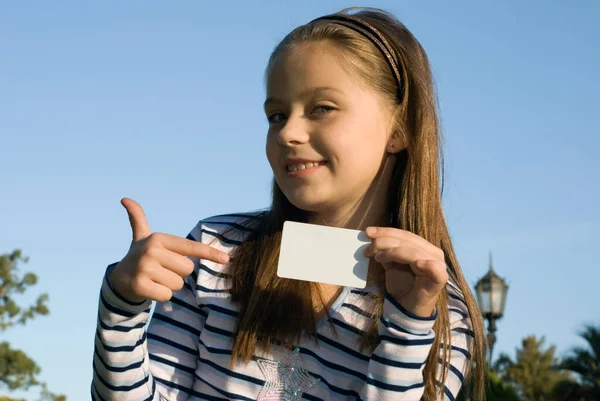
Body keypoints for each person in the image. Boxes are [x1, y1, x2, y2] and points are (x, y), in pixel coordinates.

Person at [92, 7, 486, 401]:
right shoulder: (216, 249)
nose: (289, 133)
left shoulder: (442, 314)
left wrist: (407, 325)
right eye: (277, 115)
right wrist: (122, 306)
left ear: (400, 130)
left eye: (321, 109)